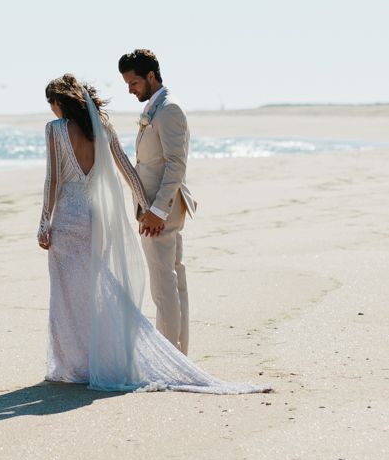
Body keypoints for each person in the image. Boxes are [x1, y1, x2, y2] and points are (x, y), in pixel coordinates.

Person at [37, 73, 269, 394]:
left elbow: (53, 181)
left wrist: (44, 223)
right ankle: (95, 360)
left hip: (66, 220)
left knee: (65, 294)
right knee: (96, 289)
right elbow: (127, 170)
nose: (51, 111)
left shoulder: (55, 131)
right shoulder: (102, 127)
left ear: (58, 102)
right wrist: (146, 206)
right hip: (95, 220)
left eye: (51, 104)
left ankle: (72, 365)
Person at [119, 49, 195, 355]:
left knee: (164, 288)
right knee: (173, 284)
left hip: (160, 211)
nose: (130, 89)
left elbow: (176, 164)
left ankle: (170, 359)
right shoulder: (156, 107)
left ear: (151, 76)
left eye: (134, 82)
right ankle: (179, 355)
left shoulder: (169, 109)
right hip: (154, 208)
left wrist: (155, 211)